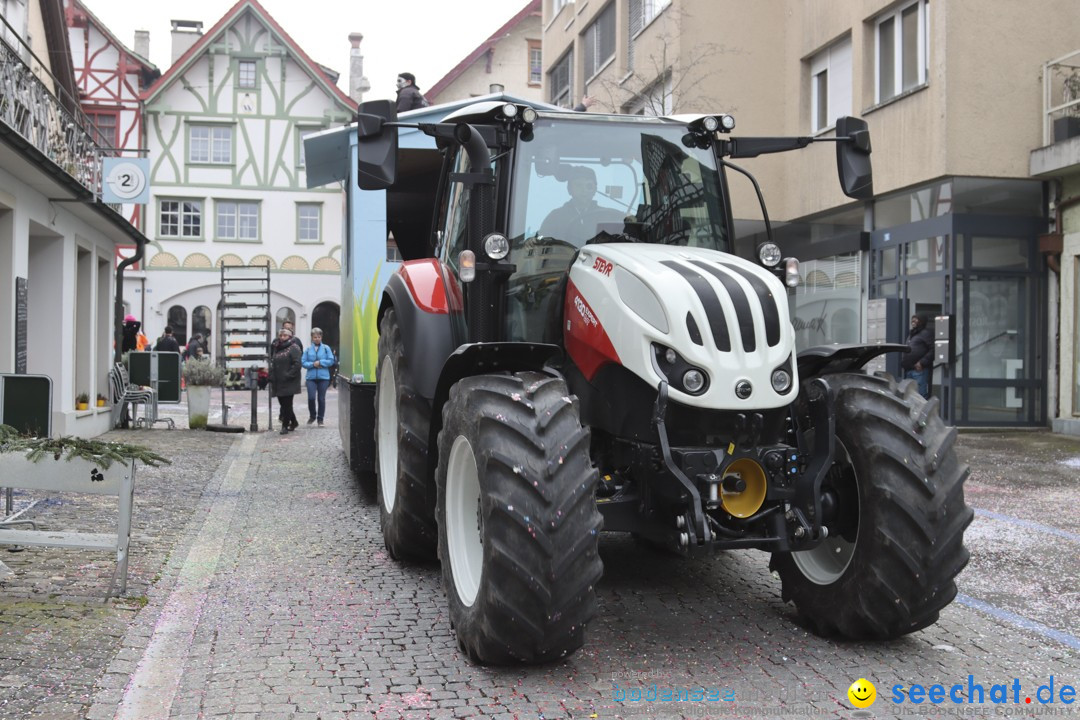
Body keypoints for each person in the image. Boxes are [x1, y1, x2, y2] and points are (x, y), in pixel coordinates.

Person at [538, 165, 625, 246]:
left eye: (588, 186)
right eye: (578, 185)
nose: (584, 190)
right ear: (569, 189)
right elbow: (540, 243)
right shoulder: (555, 217)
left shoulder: (608, 217)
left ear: (595, 189)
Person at [269, 327, 302, 434]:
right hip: (278, 380)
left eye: (285, 335)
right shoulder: (276, 347)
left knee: (287, 404)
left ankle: (285, 425)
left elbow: (297, 363)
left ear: (289, 336)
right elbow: (272, 360)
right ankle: (294, 421)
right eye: (281, 335)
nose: (282, 337)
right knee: (283, 403)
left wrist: (289, 374)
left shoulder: (294, 347)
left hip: (289, 380)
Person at [301, 327, 335, 426]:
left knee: (321, 399)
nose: (317, 339)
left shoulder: (326, 348)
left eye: (319, 337)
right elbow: (303, 362)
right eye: (315, 337)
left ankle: (320, 419)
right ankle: (312, 416)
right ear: (312, 338)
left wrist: (320, 362)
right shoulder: (308, 350)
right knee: (311, 398)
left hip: (323, 377)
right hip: (311, 378)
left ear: (321, 337)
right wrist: (313, 364)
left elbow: (331, 360)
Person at [901, 314, 934, 399]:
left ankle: (921, 412)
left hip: (920, 371)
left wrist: (922, 362)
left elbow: (933, 350)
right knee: (909, 395)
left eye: (916, 320)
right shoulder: (912, 334)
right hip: (909, 370)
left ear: (921, 322)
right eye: (912, 319)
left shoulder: (926, 333)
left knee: (920, 395)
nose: (913, 322)